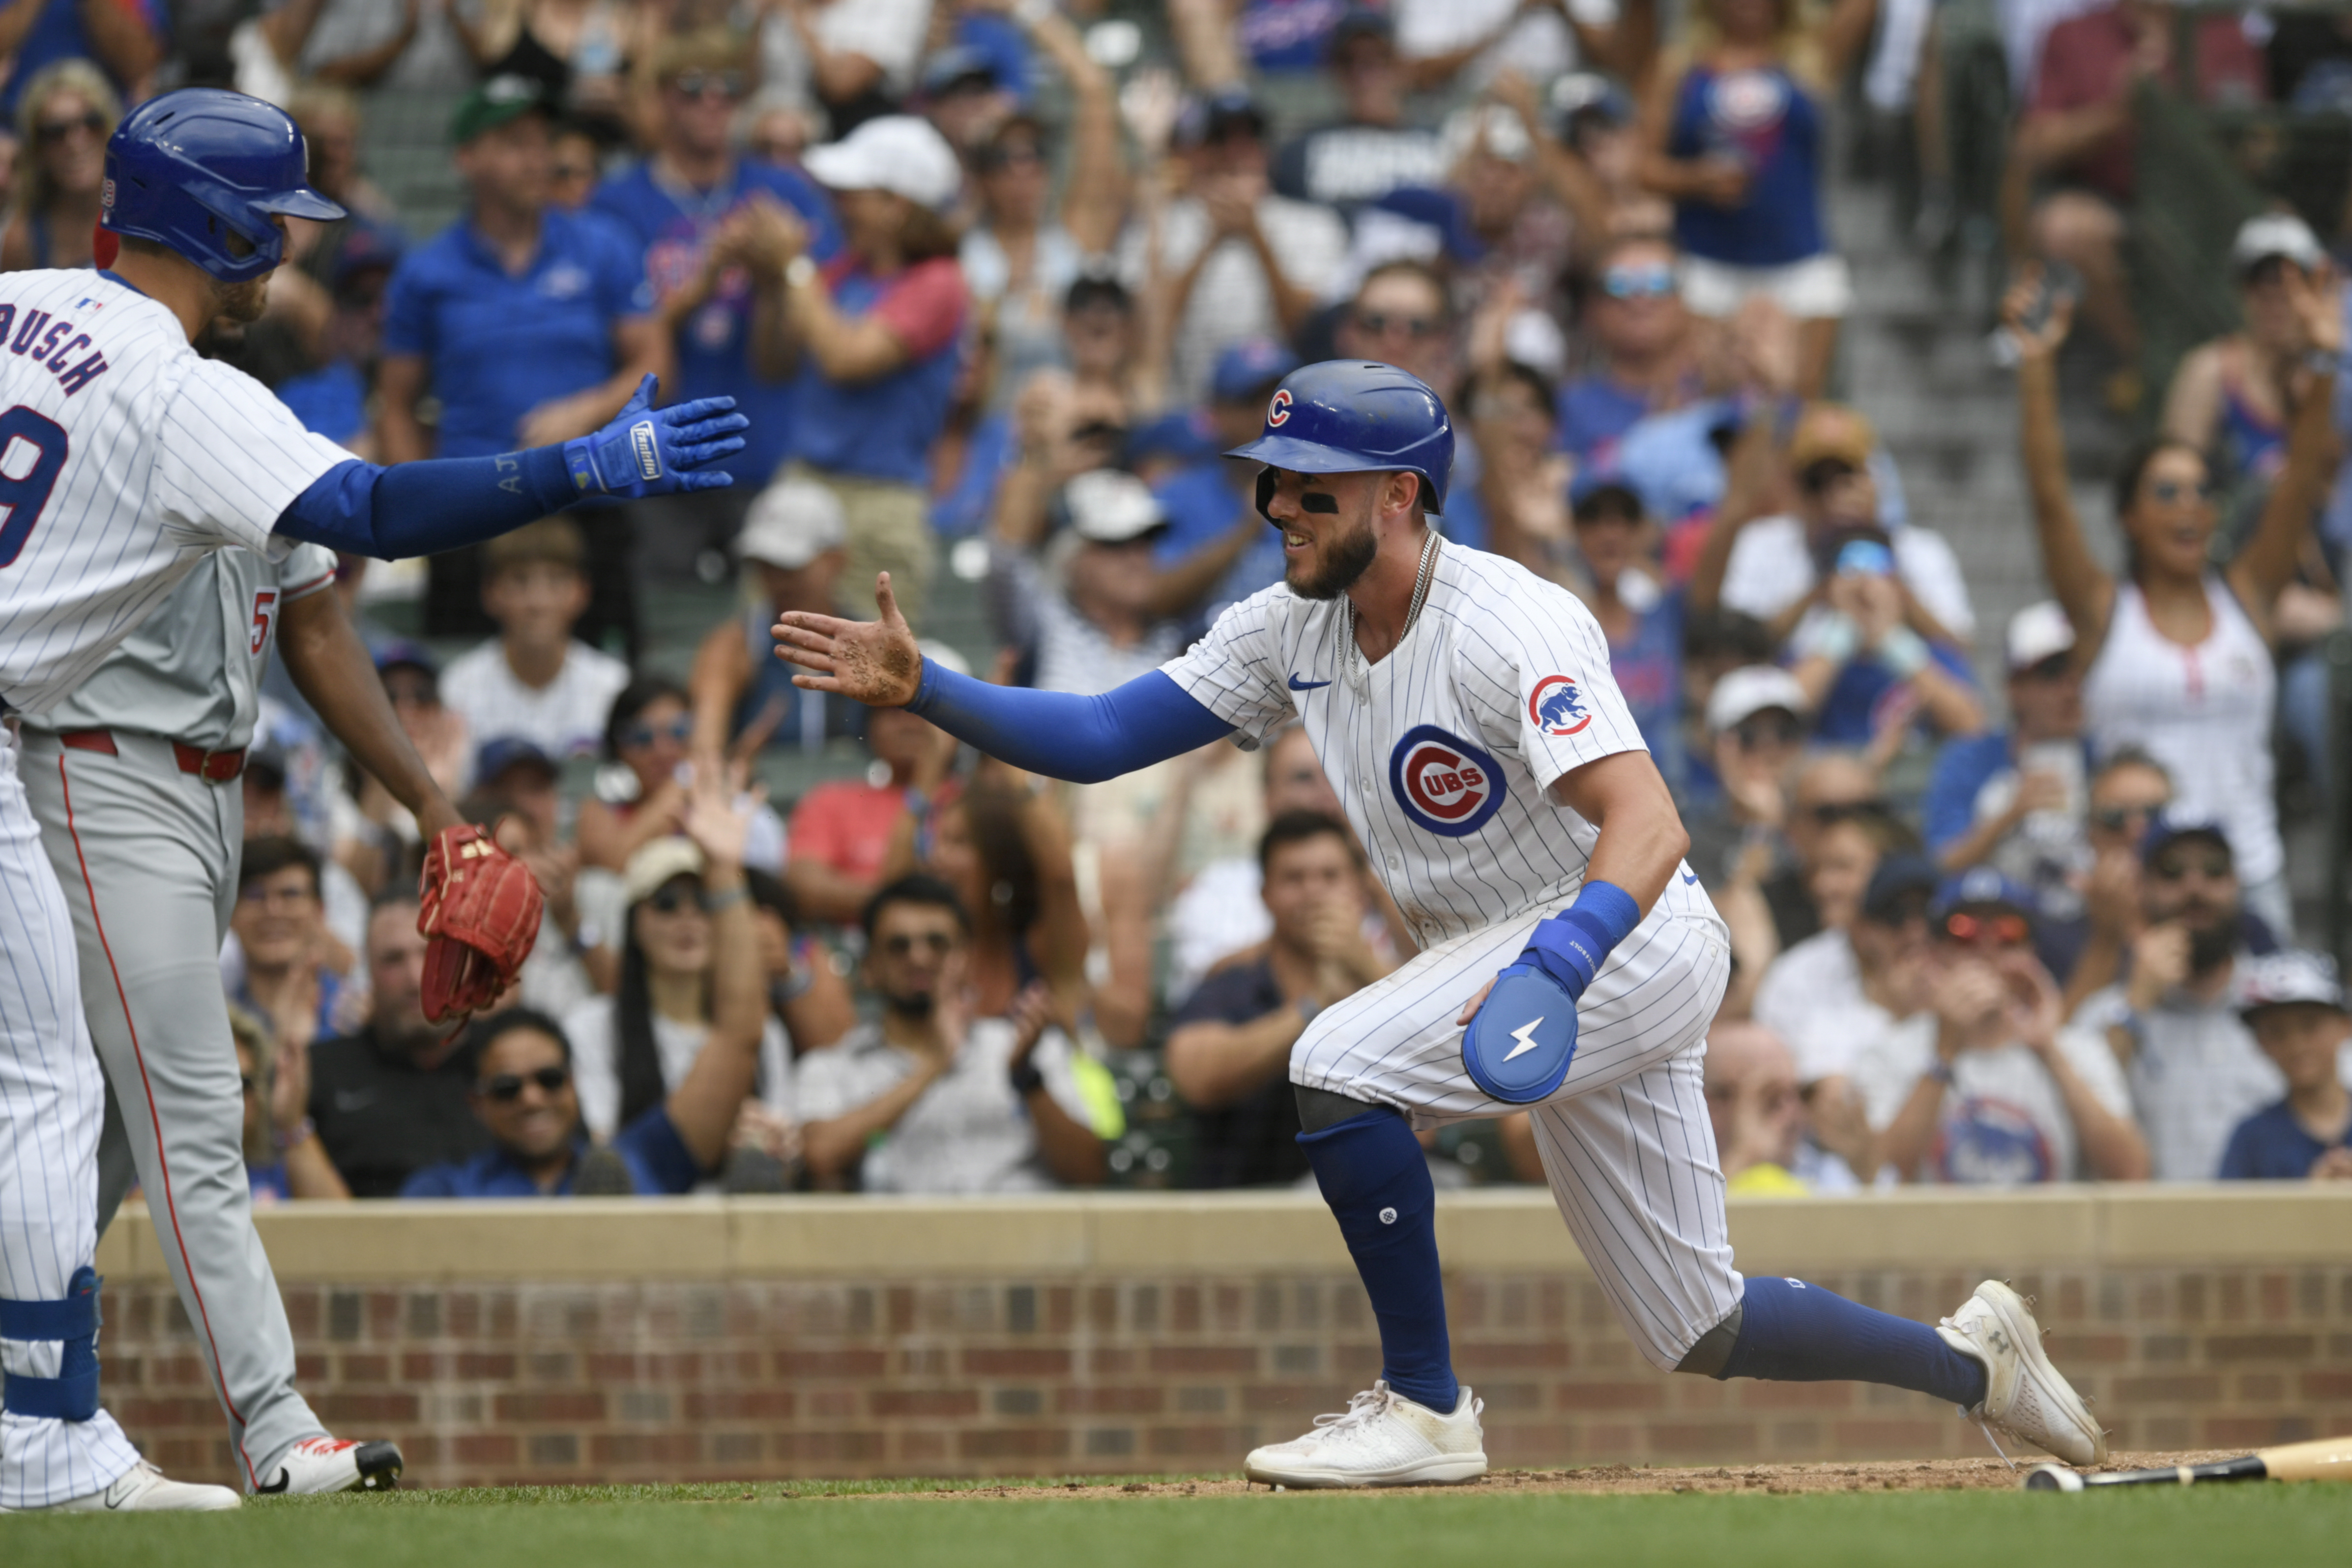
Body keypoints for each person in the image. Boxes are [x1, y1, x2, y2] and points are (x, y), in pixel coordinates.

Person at [775, 356, 2107, 1485]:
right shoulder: (1287, 621)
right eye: (1269, 483)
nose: (1277, 506)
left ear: (1399, 495)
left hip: (1620, 932)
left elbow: (1652, 824)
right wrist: (931, 686)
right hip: (1517, 956)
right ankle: (1972, 1358)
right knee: (1700, 1320)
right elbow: (1105, 730)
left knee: (1333, 1059)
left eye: (1312, 488)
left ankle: (1428, 1409)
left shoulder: (1503, 620)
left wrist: (1561, 963)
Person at [0, 86, 742, 1513]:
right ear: (216, 228)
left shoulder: (41, 312)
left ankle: (37, 1413)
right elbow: (381, 512)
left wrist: (428, 803)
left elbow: (318, 618)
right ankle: (253, 1431)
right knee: (153, 1107)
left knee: (82, 1119)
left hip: (163, 781)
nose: (284, 257)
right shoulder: (187, 394)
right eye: (271, 227)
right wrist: (587, 465)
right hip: (85, 762)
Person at [2008, 264, 2342, 940]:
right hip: (2138, 885)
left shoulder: (2247, 594)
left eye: (2200, 490)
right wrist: (2036, 366)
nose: (2190, 506)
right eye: (2166, 492)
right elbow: (2047, 498)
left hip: (2247, 875)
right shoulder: (2104, 613)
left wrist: (2325, 358)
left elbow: (2301, 474)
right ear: (2128, 516)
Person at [376, 74, 666, 656]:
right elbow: (395, 403)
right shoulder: (427, 272)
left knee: (611, 689)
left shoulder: (603, 245)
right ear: (466, 158)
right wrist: (419, 504)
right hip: (472, 508)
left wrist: (585, 409)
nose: (537, 159)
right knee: (460, 679)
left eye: (542, 141)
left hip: (589, 498)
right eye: (513, 142)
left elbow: (655, 363)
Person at [589, 31, 842, 574]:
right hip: (660, 456)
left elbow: (815, 331)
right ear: (660, 99)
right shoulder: (616, 204)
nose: (714, 101)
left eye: (729, 88)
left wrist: (776, 273)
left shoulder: (784, 193)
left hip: (764, 449)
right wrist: (707, 277)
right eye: (694, 87)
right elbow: (616, 337)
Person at [2008, 0, 2265, 391]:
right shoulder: (2072, 33)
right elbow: (2034, 145)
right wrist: (2116, 112)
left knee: (2280, 233)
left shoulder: (2224, 32)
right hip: (2116, 201)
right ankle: (2153, 366)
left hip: (2209, 209)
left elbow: (2261, 140)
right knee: (2064, 226)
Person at [794, 875, 1110, 1193]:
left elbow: (1089, 1171)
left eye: (937, 943)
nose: (919, 958)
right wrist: (935, 1064)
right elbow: (820, 1156)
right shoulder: (832, 1067)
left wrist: (1027, 1079)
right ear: (869, 968)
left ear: (967, 960)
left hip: (1025, 1237)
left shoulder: (1030, 1046)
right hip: (900, 1239)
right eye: (898, 947)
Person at [776, 114, 970, 630]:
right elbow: (771, 362)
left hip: (880, 504)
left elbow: (846, 359)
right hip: (803, 486)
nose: (839, 206)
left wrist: (792, 270)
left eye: (854, 193)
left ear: (897, 206)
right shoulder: (840, 272)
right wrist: (772, 276)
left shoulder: (940, 283)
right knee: (772, 653)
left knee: (871, 682)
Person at [1638, 0, 1878, 394]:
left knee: (1798, 403)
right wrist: (1696, 179)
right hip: (1705, 265)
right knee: (1709, 403)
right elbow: (1642, 165)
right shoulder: (1678, 67)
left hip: (1800, 262)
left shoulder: (1809, 57)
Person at [1855, 871, 2148, 1185]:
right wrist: (1945, 1052)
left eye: (2009, 933)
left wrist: (2048, 1051)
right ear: (1936, 952)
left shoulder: (2077, 1049)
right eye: (1964, 932)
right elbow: (1882, 1177)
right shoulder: (1891, 1051)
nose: (1987, 948)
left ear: (2032, 951)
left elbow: (2131, 1174)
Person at [1166, 809, 1396, 1188]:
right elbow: (1196, 1078)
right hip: (1249, 1202)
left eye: (1330, 876)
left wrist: (1365, 970)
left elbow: (1431, 1117)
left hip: (1380, 1193)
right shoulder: (1230, 983)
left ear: (1359, 890)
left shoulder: (1394, 983)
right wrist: (1314, 1007)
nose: (1313, 892)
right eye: (1294, 878)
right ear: (1265, 894)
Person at [2072, 812, 2302, 1182]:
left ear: (2237, 884)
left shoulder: (2290, 1006)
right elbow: (2075, 1131)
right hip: (2148, 1235)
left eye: (2213, 871)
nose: (2195, 887)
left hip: (2269, 1234)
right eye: (2171, 872)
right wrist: (2136, 1005)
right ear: (2142, 889)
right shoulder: (2105, 1012)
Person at [561, 828, 789, 1155]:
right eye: (666, 903)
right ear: (634, 922)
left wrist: (776, 1144)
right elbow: (601, 1150)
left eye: (704, 902)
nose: (687, 917)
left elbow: (788, 1138)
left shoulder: (768, 1034)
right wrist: (713, 1131)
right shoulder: (590, 1027)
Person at [1118, 87, 1348, 405]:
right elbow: (1145, 336)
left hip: (1285, 414)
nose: (1236, 151)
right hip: (1188, 411)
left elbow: (1310, 334)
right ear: (1193, 151)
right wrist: (1210, 240)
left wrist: (1255, 236)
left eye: (1249, 137)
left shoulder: (1313, 224)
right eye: (1220, 139)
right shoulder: (1159, 225)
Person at [1920, 602, 2093, 950]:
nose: (2070, 688)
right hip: (1996, 934)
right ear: (2014, 688)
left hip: (2085, 931)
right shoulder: (1971, 758)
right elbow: (1940, 865)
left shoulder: (2105, 757)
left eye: (2082, 672)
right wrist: (2010, 815)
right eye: (2052, 674)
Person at [1752, 850, 1937, 1173]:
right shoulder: (1830, 1027)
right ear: (1864, 931)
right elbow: (1849, 1138)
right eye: (1895, 915)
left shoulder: (1975, 1022)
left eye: (1929, 913)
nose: (1916, 930)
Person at [308, 895, 494, 1199]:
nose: (415, 978)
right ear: (367, 972)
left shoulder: (511, 1062)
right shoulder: (323, 1072)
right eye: (393, 959)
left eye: (433, 952)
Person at [688, 474, 863, 759]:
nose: (776, 581)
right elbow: (704, 752)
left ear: (836, 559)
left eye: (789, 565)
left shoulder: (873, 644)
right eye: (764, 565)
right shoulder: (732, 646)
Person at [440, 517, 630, 774]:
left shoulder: (613, 685)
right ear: (490, 592)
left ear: (582, 592)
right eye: (520, 581)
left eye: (556, 580)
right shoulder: (460, 685)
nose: (538, 602)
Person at [2162, 214, 2333, 487]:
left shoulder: (2333, 373)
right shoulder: (2209, 372)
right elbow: (2174, 482)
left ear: (2316, 288)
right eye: (2259, 280)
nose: (2274, 294)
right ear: (2241, 290)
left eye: (2290, 282)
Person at [1270, 9, 1448, 215]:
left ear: (1400, 65)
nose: (1362, 74)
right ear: (1334, 72)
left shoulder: (1443, 145)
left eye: (1376, 60)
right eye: (1348, 61)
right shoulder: (1301, 153)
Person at [1553, 234, 1706, 470]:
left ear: (1684, 301)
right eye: (1618, 284)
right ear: (1591, 309)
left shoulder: (1723, 394)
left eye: (1659, 282)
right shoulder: (1567, 409)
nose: (1639, 300)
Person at [2219, 951, 2352, 1180]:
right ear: (2261, 1043)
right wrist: (2306, 1203)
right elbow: (2224, 1215)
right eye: (2276, 1031)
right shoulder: (2252, 1139)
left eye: (2310, 1025)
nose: (2296, 1045)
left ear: (2345, 1026)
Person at [227, 835, 355, 1062]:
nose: (273, 910)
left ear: (319, 911)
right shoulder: (217, 1020)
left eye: (290, 894)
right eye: (255, 896)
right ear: (231, 915)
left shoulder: (356, 1016)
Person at [0, 58, 117, 272]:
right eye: (55, 132)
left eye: (91, 123)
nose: (75, 142)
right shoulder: (22, 241)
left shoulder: (143, 222)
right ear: (37, 152)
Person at [231, 1005, 348, 1205]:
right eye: (212, 1085)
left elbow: (344, 1230)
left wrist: (292, 1123)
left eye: (240, 1084)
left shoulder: (276, 1172)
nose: (224, 1099)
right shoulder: (163, 1176)